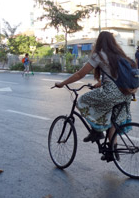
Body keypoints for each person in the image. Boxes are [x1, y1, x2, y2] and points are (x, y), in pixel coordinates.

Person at [54, 31, 133, 161]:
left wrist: (62, 83)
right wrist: (101, 83)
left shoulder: (99, 55)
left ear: (99, 41)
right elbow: (116, 75)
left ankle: (96, 131)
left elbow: (80, 74)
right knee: (112, 120)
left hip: (111, 93)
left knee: (82, 100)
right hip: (125, 94)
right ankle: (112, 151)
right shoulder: (119, 54)